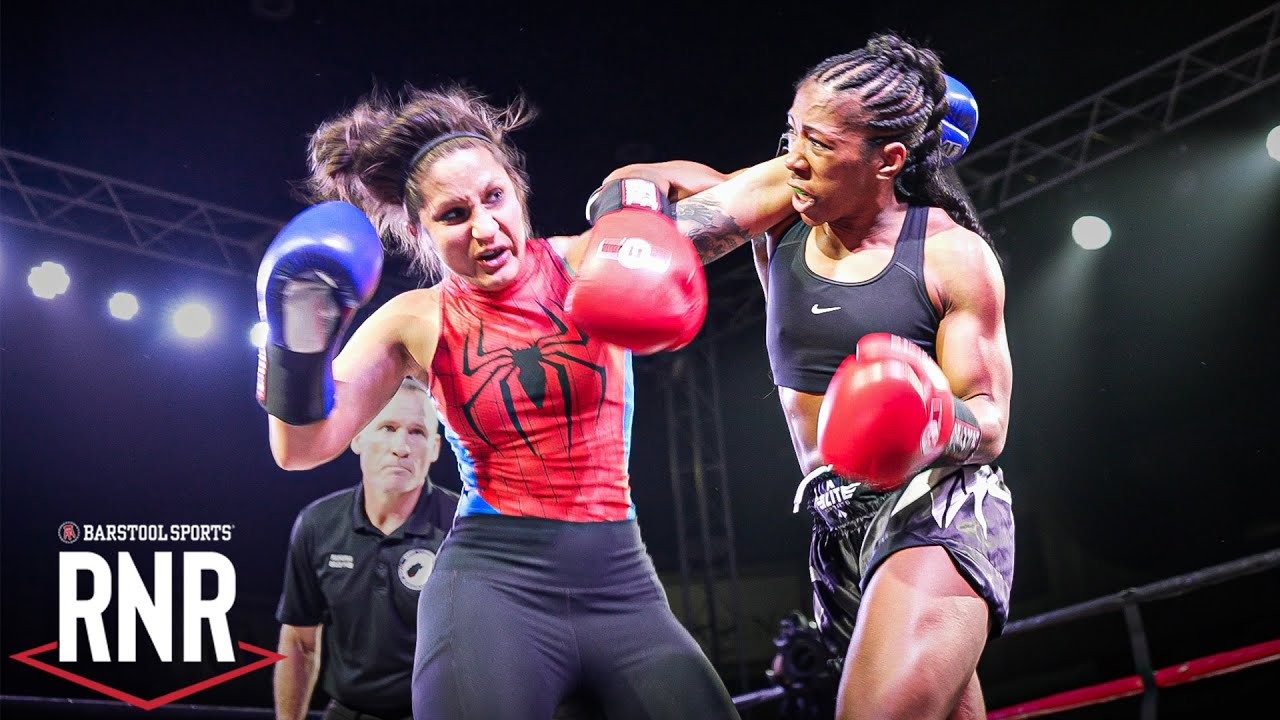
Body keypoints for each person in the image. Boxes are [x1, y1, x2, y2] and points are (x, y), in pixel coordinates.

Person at [255, 83, 738, 720]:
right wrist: (296, 347)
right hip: (492, 582)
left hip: (622, 584)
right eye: (453, 215)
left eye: (493, 198)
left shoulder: (593, 260)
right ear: (420, 231)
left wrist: (641, 185)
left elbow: (771, 192)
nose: (484, 228)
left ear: (518, 189)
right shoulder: (413, 318)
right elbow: (301, 448)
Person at [604, 32, 1015, 720]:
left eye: (820, 144)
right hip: (837, 529)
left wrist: (932, 419)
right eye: (793, 131)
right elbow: (661, 214)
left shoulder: (951, 256)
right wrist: (629, 201)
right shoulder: (781, 201)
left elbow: (991, 422)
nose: (795, 156)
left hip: (937, 509)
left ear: (887, 160)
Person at [274, 378, 457, 720]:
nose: (401, 446)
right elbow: (300, 642)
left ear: (434, 448)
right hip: (346, 712)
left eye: (416, 432)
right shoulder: (318, 524)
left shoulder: (463, 530)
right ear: (357, 436)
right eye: (387, 427)